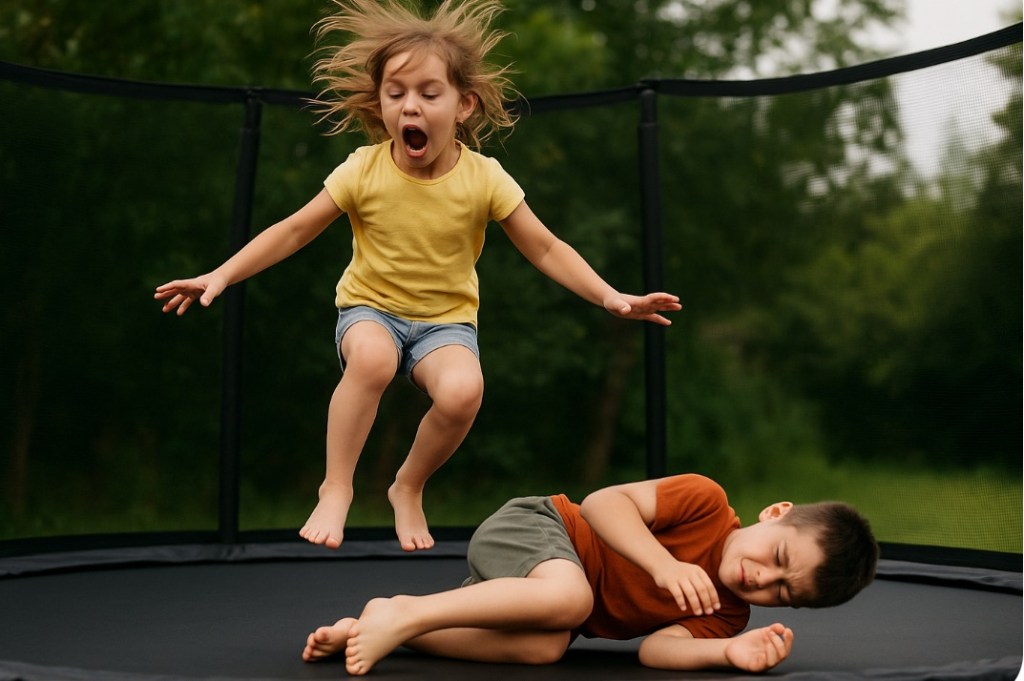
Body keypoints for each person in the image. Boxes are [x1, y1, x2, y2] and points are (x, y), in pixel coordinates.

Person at [153, 0, 681, 553]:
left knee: (463, 391)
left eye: (429, 94)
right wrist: (221, 274)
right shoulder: (363, 169)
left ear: (463, 105)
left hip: (445, 324)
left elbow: (546, 247)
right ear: (380, 103)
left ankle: (408, 486)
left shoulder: (485, 178)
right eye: (396, 94)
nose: (411, 107)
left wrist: (609, 296)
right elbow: (292, 230)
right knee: (374, 360)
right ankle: (336, 488)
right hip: (369, 311)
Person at [300, 473, 878, 675]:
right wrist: (662, 563)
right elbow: (604, 504)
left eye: (785, 593)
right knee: (572, 600)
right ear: (775, 514)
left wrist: (726, 654)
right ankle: (407, 608)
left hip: (540, 601)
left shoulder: (728, 615)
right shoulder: (705, 502)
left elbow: (658, 653)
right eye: (776, 559)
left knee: (546, 648)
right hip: (540, 527)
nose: (760, 580)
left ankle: (373, 625)